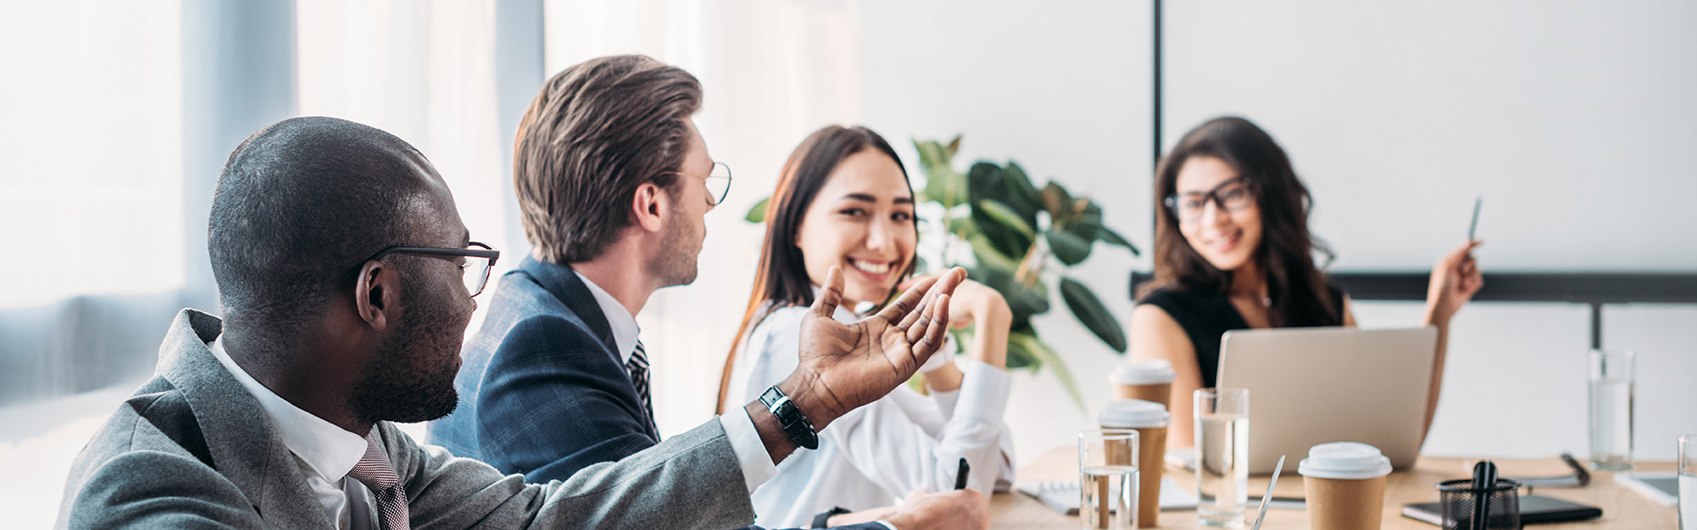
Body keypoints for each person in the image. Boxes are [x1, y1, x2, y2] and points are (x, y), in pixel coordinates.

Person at [54, 115, 982, 530]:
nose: (477, 298)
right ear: (376, 294)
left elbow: (558, 518)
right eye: (461, 265)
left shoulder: (365, 444)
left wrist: (804, 403)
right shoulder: (150, 491)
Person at [426, 56, 976, 529]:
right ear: (652, 204)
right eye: (705, 181)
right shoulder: (542, 350)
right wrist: (895, 526)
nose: (712, 204)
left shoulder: (548, 315)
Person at [718, 125, 1017, 528]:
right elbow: (959, 491)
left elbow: (994, 468)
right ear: (796, 226)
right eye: (854, 211)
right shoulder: (798, 334)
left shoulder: (846, 326)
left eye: (901, 215)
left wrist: (937, 355)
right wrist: (991, 315)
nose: (883, 241)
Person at [1130, 116, 1484, 449]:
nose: (1213, 220)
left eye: (1232, 194)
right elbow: (1195, 466)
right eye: (1193, 203)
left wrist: (1440, 312)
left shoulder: (1323, 301)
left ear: (1272, 193)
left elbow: (1392, 440)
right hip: (1238, 515)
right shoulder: (1161, 317)